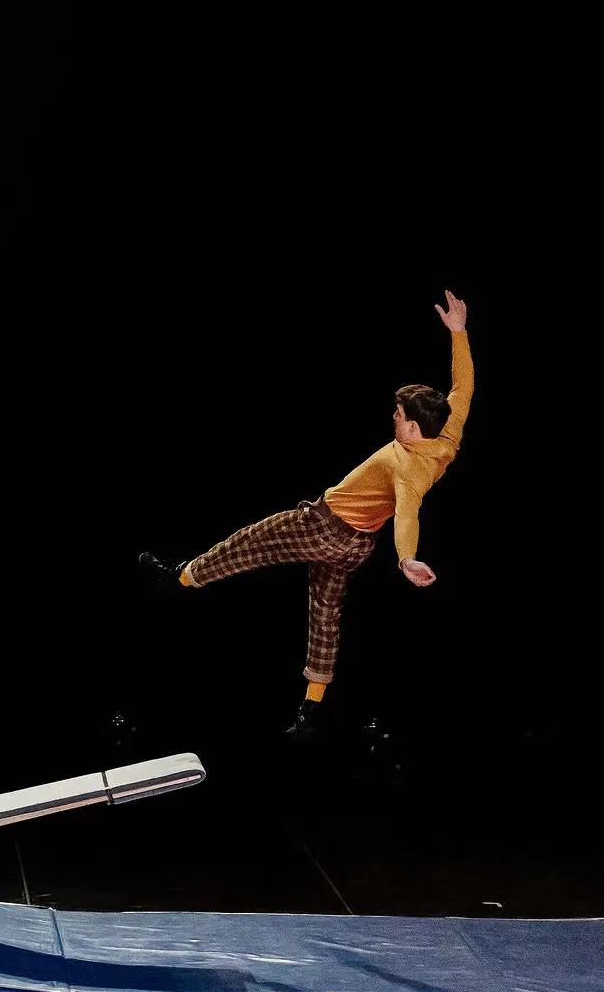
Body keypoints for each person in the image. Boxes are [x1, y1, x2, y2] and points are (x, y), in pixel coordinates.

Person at [140, 291, 474, 739]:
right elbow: (463, 387)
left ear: (413, 428)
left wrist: (406, 559)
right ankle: (311, 710)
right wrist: (459, 333)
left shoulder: (406, 466)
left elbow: (408, 514)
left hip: (323, 529)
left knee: (250, 543)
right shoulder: (446, 437)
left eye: (398, 415)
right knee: (325, 616)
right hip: (356, 546)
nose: (393, 418)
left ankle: (178, 578)